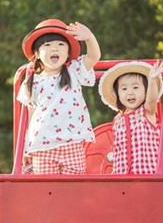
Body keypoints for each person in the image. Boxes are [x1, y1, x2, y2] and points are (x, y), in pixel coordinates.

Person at [17, 19, 101, 174]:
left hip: (72, 144)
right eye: (47, 45)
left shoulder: (74, 71)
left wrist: (89, 37)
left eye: (60, 45)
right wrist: (26, 148)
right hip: (42, 147)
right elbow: (30, 118)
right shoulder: (32, 82)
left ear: (68, 52)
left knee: (73, 191)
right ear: (37, 53)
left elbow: (94, 57)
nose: (54, 49)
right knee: (47, 191)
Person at [98, 60, 163, 174]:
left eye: (135, 88)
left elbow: (152, 99)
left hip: (148, 174)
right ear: (118, 94)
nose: (130, 93)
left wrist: (152, 80)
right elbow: (118, 149)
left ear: (146, 91)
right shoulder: (117, 120)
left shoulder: (146, 112)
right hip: (123, 176)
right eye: (124, 89)